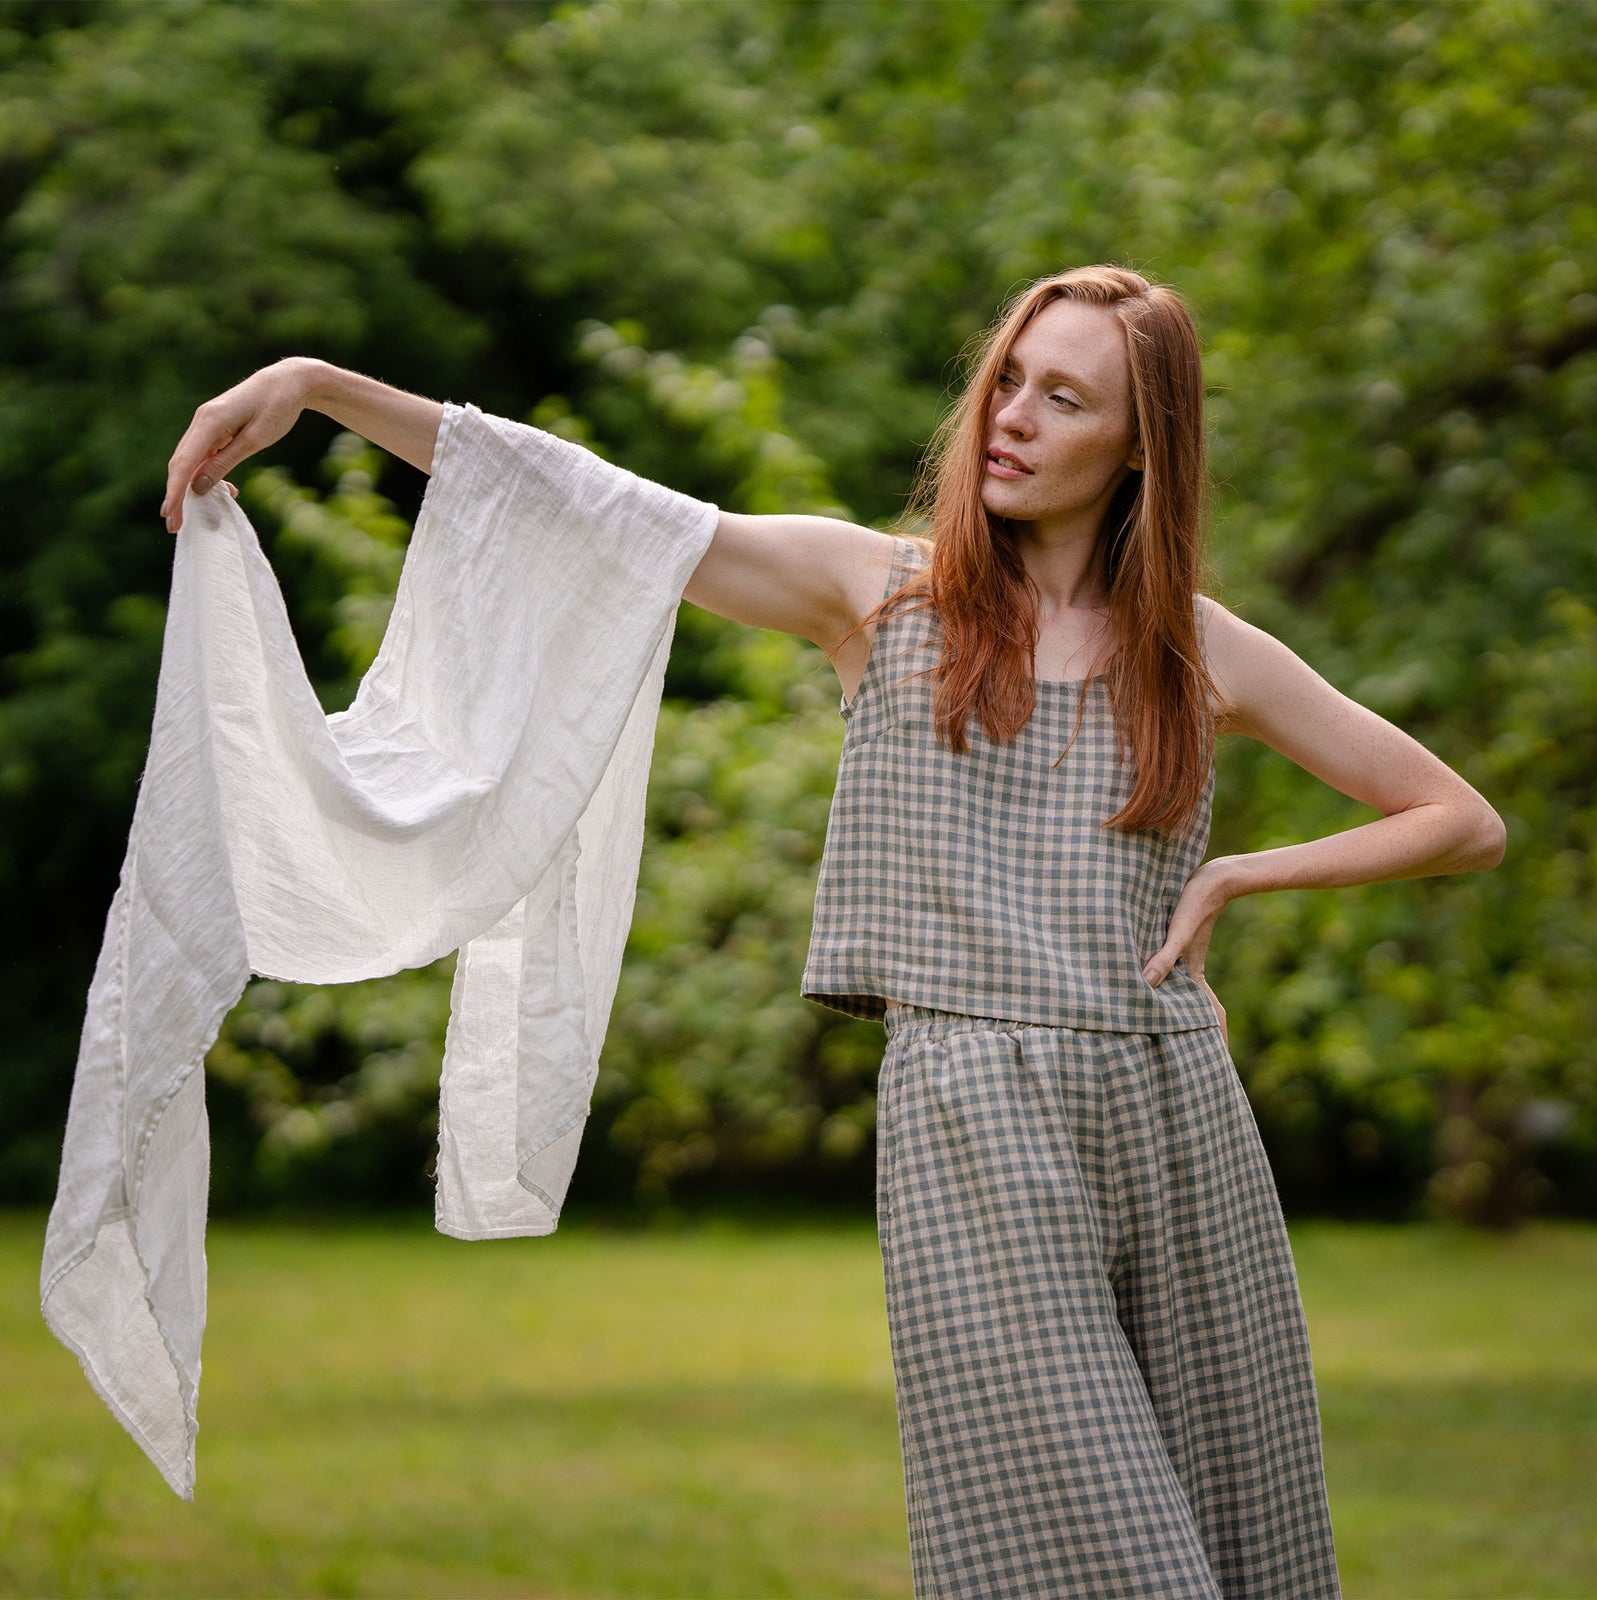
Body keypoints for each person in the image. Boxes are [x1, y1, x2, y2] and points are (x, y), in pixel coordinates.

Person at [161, 264, 1505, 1599]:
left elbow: (1457, 817)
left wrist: (1238, 878)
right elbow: (591, 506)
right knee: (1109, 1566)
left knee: (1243, 1541)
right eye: (1009, 384)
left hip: (1177, 1116)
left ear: (1142, 443)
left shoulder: (1198, 652)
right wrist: (323, 391)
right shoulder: (879, 595)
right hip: (975, 1126)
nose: (1014, 420)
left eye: (1065, 399)